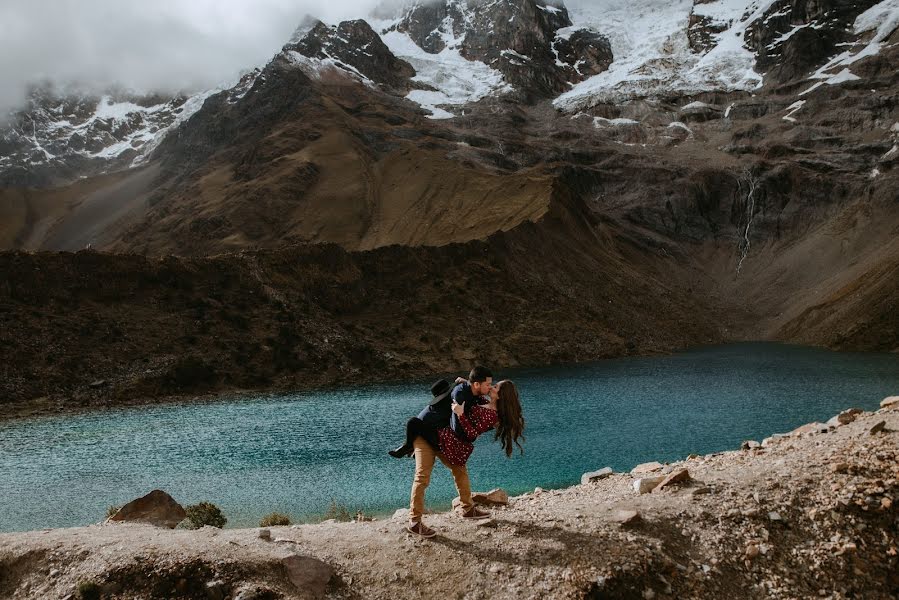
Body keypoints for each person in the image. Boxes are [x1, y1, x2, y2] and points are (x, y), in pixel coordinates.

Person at [399, 376, 525, 538]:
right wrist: (466, 382)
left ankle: (467, 509)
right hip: (428, 436)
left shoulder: (493, 415)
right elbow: (473, 390)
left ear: (501, 396)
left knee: (459, 470)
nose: (491, 388)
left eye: (495, 387)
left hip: (445, 440)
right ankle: (415, 522)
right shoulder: (482, 400)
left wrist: (460, 414)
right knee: (422, 476)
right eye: (491, 385)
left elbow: (471, 434)